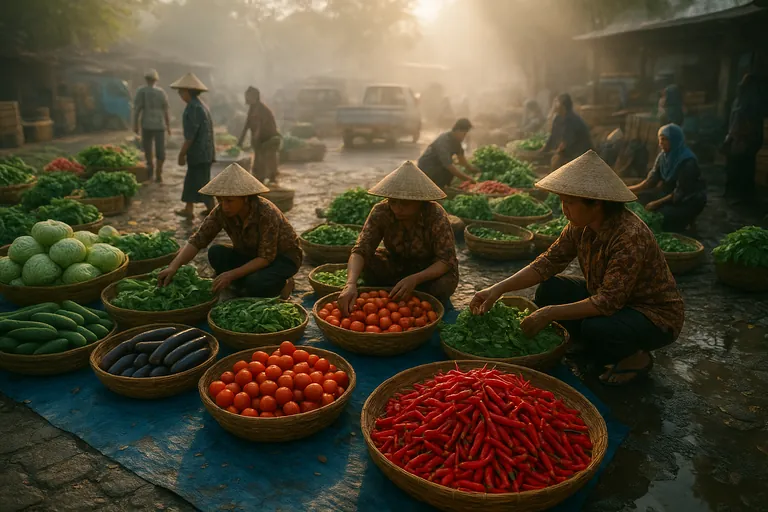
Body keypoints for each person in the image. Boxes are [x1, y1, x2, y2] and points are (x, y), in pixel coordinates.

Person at [471, 150, 683, 386]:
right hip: (609, 296)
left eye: (569, 202)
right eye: (562, 201)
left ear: (596, 203)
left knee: (597, 327)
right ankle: (586, 340)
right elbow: (548, 262)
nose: (564, 209)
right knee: (550, 288)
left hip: (651, 314)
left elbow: (607, 302)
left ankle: (637, 358)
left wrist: (549, 313)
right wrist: (498, 289)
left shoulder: (629, 236)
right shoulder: (579, 225)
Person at [157, 163, 300, 298]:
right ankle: (249, 279)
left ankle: (284, 283)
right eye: (220, 200)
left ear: (245, 199)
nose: (224, 206)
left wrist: (231, 275)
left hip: (282, 258)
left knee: (255, 284)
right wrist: (173, 267)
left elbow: (265, 258)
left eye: (230, 201)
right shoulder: (221, 211)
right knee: (216, 252)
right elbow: (198, 239)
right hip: (251, 254)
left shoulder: (266, 213)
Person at [338, 161, 459, 314]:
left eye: (405, 204)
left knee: (444, 284)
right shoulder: (381, 211)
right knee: (367, 262)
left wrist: (415, 279)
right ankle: (396, 291)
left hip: (428, 269)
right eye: (393, 202)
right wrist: (350, 283)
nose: (397, 208)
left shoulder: (435, 215)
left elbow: (445, 260)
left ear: (420, 202)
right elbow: (361, 249)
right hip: (398, 264)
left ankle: (416, 295)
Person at [628, 124, 706, 232]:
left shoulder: (688, 162)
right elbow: (650, 182)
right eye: (660, 139)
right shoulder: (663, 157)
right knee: (639, 199)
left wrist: (656, 203)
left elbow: (680, 192)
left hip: (688, 200)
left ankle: (688, 220)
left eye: (664, 140)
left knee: (662, 217)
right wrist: (626, 190)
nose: (660, 143)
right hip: (669, 194)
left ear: (674, 140)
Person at [170, 72, 215, 218]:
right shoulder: (202, 105)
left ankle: (214, 211)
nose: (180, 95)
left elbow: (190, 136)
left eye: (181, 92)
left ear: (188, 92)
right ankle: (189, 208)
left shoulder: (193, 108)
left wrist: (182, 153)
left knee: (202, 182)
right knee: (192, 180)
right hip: (205, 152)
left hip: (199, 152)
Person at [723, 74, 765, 204]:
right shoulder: (747, 99)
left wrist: (736, 135)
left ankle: (740, 194)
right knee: (740, 165)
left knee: (741, 165)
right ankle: (738, 193)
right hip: (741, 137)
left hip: (744, 137)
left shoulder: (747, 100)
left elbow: (745, 120)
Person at [237, 87, 282, 185]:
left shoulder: (261, 109)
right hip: (260, 139)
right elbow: (247, 125)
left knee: (268, 161)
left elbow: (259, 126)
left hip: (269, 139)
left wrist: (255, 139)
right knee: (259, 161)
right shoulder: (252, 108)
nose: (246, 99)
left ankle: (271, 178)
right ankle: (259, 179)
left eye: (248, 96)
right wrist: (240, 141)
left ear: (255, 97)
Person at [417, 118, 479, 189]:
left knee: (449, 173)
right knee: (448, 172)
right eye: (464, 134)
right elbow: (449, 166)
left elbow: (461, 159)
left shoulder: (456, 141)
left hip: (438, 165)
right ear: (458, 130)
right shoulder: (443, 141)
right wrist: (468, 179)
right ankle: (437, 189)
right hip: (427, 167)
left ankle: (441, 188)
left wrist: (472, 169)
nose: (464, 137)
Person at [133, 69, 171, 182]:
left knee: (148, 148)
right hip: (160, 125)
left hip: (146, 125)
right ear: (156, 80)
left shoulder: (141, 91)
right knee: (160, 150)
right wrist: (168, 126)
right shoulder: (161, 92)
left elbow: (137, 110)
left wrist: (135, 125)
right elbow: (166, 111)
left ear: (146, 79)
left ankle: (150, 169)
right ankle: (159, 172)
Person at [542, 93, 593, 170]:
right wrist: (544, 150)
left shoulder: (573, 120)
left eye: (556, 102)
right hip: (569, 151)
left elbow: (566, 141)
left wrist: (557, 153)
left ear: (563, 106)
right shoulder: (558, 118)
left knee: (556, 160)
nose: (554, 105)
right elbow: (553, 136)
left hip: (580, 153)